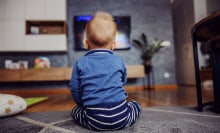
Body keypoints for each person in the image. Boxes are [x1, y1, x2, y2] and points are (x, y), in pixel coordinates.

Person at [69, 11, 141, 131]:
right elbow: (122, 82)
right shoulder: (119, 61)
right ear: (113, 45)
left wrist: (81, 105)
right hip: (121, 117)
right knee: (135, 105)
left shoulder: (80, 62)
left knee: (75, 111)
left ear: (86, 43)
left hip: (94, 120)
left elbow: (75, 88)